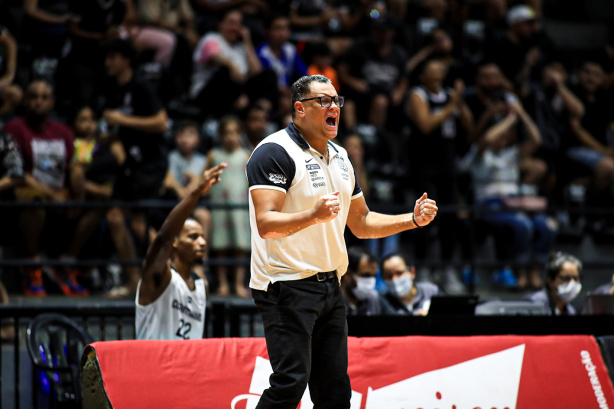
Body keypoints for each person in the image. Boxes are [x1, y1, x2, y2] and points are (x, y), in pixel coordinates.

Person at [246, 74, 438, 408]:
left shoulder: (341, 156)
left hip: (331, 287)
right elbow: (267, 224)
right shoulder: (274, 152)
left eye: (336, 100)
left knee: (335, 392)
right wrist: (312, 215)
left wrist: (412, 219)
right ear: (299, 109)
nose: (333, 106)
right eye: (323, 100)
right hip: (285, 285)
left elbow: (362, 223)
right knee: (290, 383)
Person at [101, 38, 169, 297]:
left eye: (112, 57)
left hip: (150, 162)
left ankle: (171, 275)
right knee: (115, 217)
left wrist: (122, 119)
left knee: (140, 224)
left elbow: (161, 122)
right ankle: (133, 280)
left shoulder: (141, 86)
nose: (108, 62)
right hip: (130, 162)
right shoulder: (113, 88)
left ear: (126, 59)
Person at [3, 80, 84, 297]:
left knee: (100, 207)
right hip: (30, 193)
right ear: (26, 101)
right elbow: (18, 172)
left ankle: (67, 262)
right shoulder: (13, 128)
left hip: (61, 194)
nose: (39, 102)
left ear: (52, 102)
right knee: (33, 202)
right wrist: (51, 195)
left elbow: (74, 165)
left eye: (44, 97)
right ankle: (32, 266)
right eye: (34, 97)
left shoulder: (64, 131)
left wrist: (74, 192)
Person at [136, 163, 226, 340]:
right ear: (175, 242)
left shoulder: (202, 286)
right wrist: (196, 192)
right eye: (193, 237)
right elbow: (163, 238)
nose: (202, 242)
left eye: (202, 236)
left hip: (186, 366)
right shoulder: (158, 275)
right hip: (154, 365)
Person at [407, 59, 474, 294]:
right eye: (432, 73)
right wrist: (452, 105)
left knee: (450, 218)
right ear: (424, 76)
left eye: (440, 73)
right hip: (425, 166)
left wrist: (459, 102)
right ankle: (423, 267)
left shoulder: (449, 95)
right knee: (425, 217)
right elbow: (425, 124)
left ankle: (447, 269)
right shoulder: (418, 94)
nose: (436, 77)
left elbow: (469, 126)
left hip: (448, 166)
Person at [205, 116, 251, 296]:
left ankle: (239, 284)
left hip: (240, 207)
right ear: (220, 135)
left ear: (240, 135)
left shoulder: (246, 155)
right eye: (227, 133)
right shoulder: (214, 155)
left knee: (240, 247)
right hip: (219, 206)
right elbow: (205, 178)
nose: (231, 137)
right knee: (221, 247)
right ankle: (223, 284)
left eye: (234, 133)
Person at [340, 247, 394, 316]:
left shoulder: (375, 298)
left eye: (373, 276)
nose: (370, 280)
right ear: (347, 274)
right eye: (365, 275)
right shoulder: (332, 302)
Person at [525, 251, 582, 315]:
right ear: (550, 281)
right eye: (566, 278)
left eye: (576, 278)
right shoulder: (534, 303)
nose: (572, 283)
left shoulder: (571, 311)